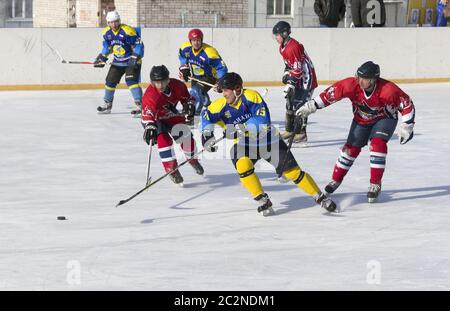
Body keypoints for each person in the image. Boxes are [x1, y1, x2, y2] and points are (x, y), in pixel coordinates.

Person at [200, 72, 338, 216]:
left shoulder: (252, 97)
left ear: (237, 89)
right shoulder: (220, 105)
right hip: (244, 144)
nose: (224, 94)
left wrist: (239, 129)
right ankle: (262, 200)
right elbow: (206, 117)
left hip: (268, 139)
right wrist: (207, 136)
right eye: (222, 90)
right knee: (243, 165)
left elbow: (262, 122)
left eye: (226, 90)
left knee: (293, 173)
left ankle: (319, 197)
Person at [296, 61, 415, 203]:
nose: (360, 81)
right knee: (350, 149)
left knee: (377, 144)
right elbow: (330, 94)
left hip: (385, 119)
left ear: (373, 80)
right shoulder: (350, 84)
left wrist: (407, 125)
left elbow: (407, 104)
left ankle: (375, 184)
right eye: (359, 77)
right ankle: (336, 180)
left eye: (364, 79)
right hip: (361, 120)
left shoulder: (388, 90)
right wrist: (312, 105)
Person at [141, 65, 204, 186]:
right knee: (164, 141)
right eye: (156, 83)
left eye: (163, 81)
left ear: (168, 79)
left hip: (170, 115)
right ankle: (171, 169)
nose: (160, 86)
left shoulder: (178, 86)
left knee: (187, 139)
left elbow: (187, 98)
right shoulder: (150, 95)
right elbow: (147, 115)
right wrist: (149, 126)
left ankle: (193, 160)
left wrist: (189, 105)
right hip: (155, 121)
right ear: (152, 82)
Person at [272, 21, 318, 145]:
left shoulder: (294, 47)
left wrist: (290, 83)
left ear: (285, 34)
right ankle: (289, 130)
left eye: (277, 35)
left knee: (300, 106)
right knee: (290, 104)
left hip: (306, 79)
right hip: (298, 78)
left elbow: (298, 68)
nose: (275, 37)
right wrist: (286, 74)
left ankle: (301, 134)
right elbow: (289, 65)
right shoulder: (282, 47)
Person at [94, 11, 144, 116]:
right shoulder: (106, 33)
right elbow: (108, 47)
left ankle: (141, 106)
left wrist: (135, 56)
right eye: (111, 22)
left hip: (132, 61)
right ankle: (107, 104)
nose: (113, 24)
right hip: (118, 62)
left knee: (131, 81)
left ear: (119, 21)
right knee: (109, 82)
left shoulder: (127, 31)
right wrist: (102, 57)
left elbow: (139, 45)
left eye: (116, 22)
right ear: (108, 23)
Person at [178, 28, 228, 118]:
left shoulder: (209, 52)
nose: (196, 43)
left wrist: (221, 81)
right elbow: (182, 58)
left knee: (195, 92)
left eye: (198, 40)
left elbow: (221, 67)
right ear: (190, 41)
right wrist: (184, 69)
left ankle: (194, 114)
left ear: (201, 40)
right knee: (200, 93)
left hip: (209, 76)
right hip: (195, 76)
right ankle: (207, 103)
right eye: (193, 40)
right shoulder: (185, 49)